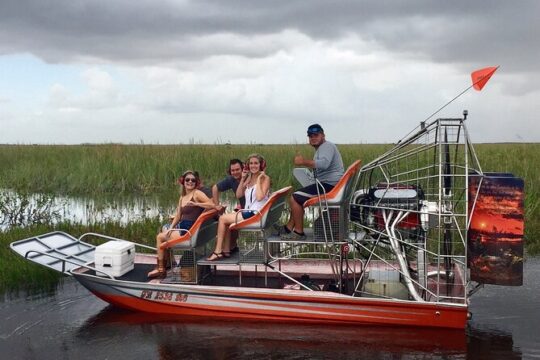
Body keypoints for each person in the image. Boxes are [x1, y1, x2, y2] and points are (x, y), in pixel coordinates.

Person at [148, 170, 220, 279]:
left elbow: (212, 204)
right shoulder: (182, 197)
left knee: (160, 238)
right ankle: (165, 265)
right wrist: (171, 229)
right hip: (182, 228)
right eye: (187, 180)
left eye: (193, 180)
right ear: (183, 181)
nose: (190, 182)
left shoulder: (196, 193)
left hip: (188, 232)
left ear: (196, 182)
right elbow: (178, 215)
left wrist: (196, 203)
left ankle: (161, 269)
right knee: (164, 231)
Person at [280, 123, 344, 240]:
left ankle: (299, 233)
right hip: (329, 184)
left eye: (316, 135)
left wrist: (303, 161)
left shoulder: (327, 146)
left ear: (323, 135)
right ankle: (289, 227)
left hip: (329, 186)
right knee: (299, 196)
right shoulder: (322, 148)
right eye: (310, 136)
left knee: (295, 198)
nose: (313, 137)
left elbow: (324, 164)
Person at [206, 154, 271, 261]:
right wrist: (243, 180)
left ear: (261, 165)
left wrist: (259, 179)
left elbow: (259, 197)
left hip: (256, 214)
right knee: (225, 219)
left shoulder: (265, 178)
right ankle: (226, 250)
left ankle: (217, 251)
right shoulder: (249, 177)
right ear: (247, 166)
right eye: (251, 163)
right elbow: (239, 195)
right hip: (249, 211)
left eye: (256, 163)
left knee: (222, 219)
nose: (253, 166)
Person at [211, 159, 245, 253]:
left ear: (243, 168)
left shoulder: (248, 178)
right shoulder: (231, 179)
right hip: (243, 210)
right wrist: (216, 206)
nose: (235, 172)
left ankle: (222, 250)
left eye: (238, 169)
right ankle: (231, 247)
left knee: (224, 220)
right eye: (233, 170)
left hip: (250, 211)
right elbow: (215, 188)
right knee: (228, 220)